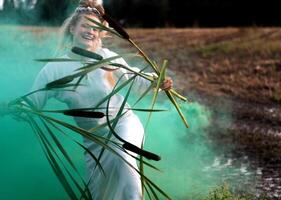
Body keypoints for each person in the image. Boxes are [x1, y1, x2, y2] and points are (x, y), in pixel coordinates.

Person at [0, 0, 173, 199]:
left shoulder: (108, 58)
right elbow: (34, 100)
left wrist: (157, 81)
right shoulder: (55, 69)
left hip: (122, 124)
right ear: (73, 27)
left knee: (125, 159)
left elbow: (136, 79)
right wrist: (15, 108)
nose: (90, 31)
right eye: (85, 25)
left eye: (95, 28)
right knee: (101, 194)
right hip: (93, 141)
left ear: (100, 33)